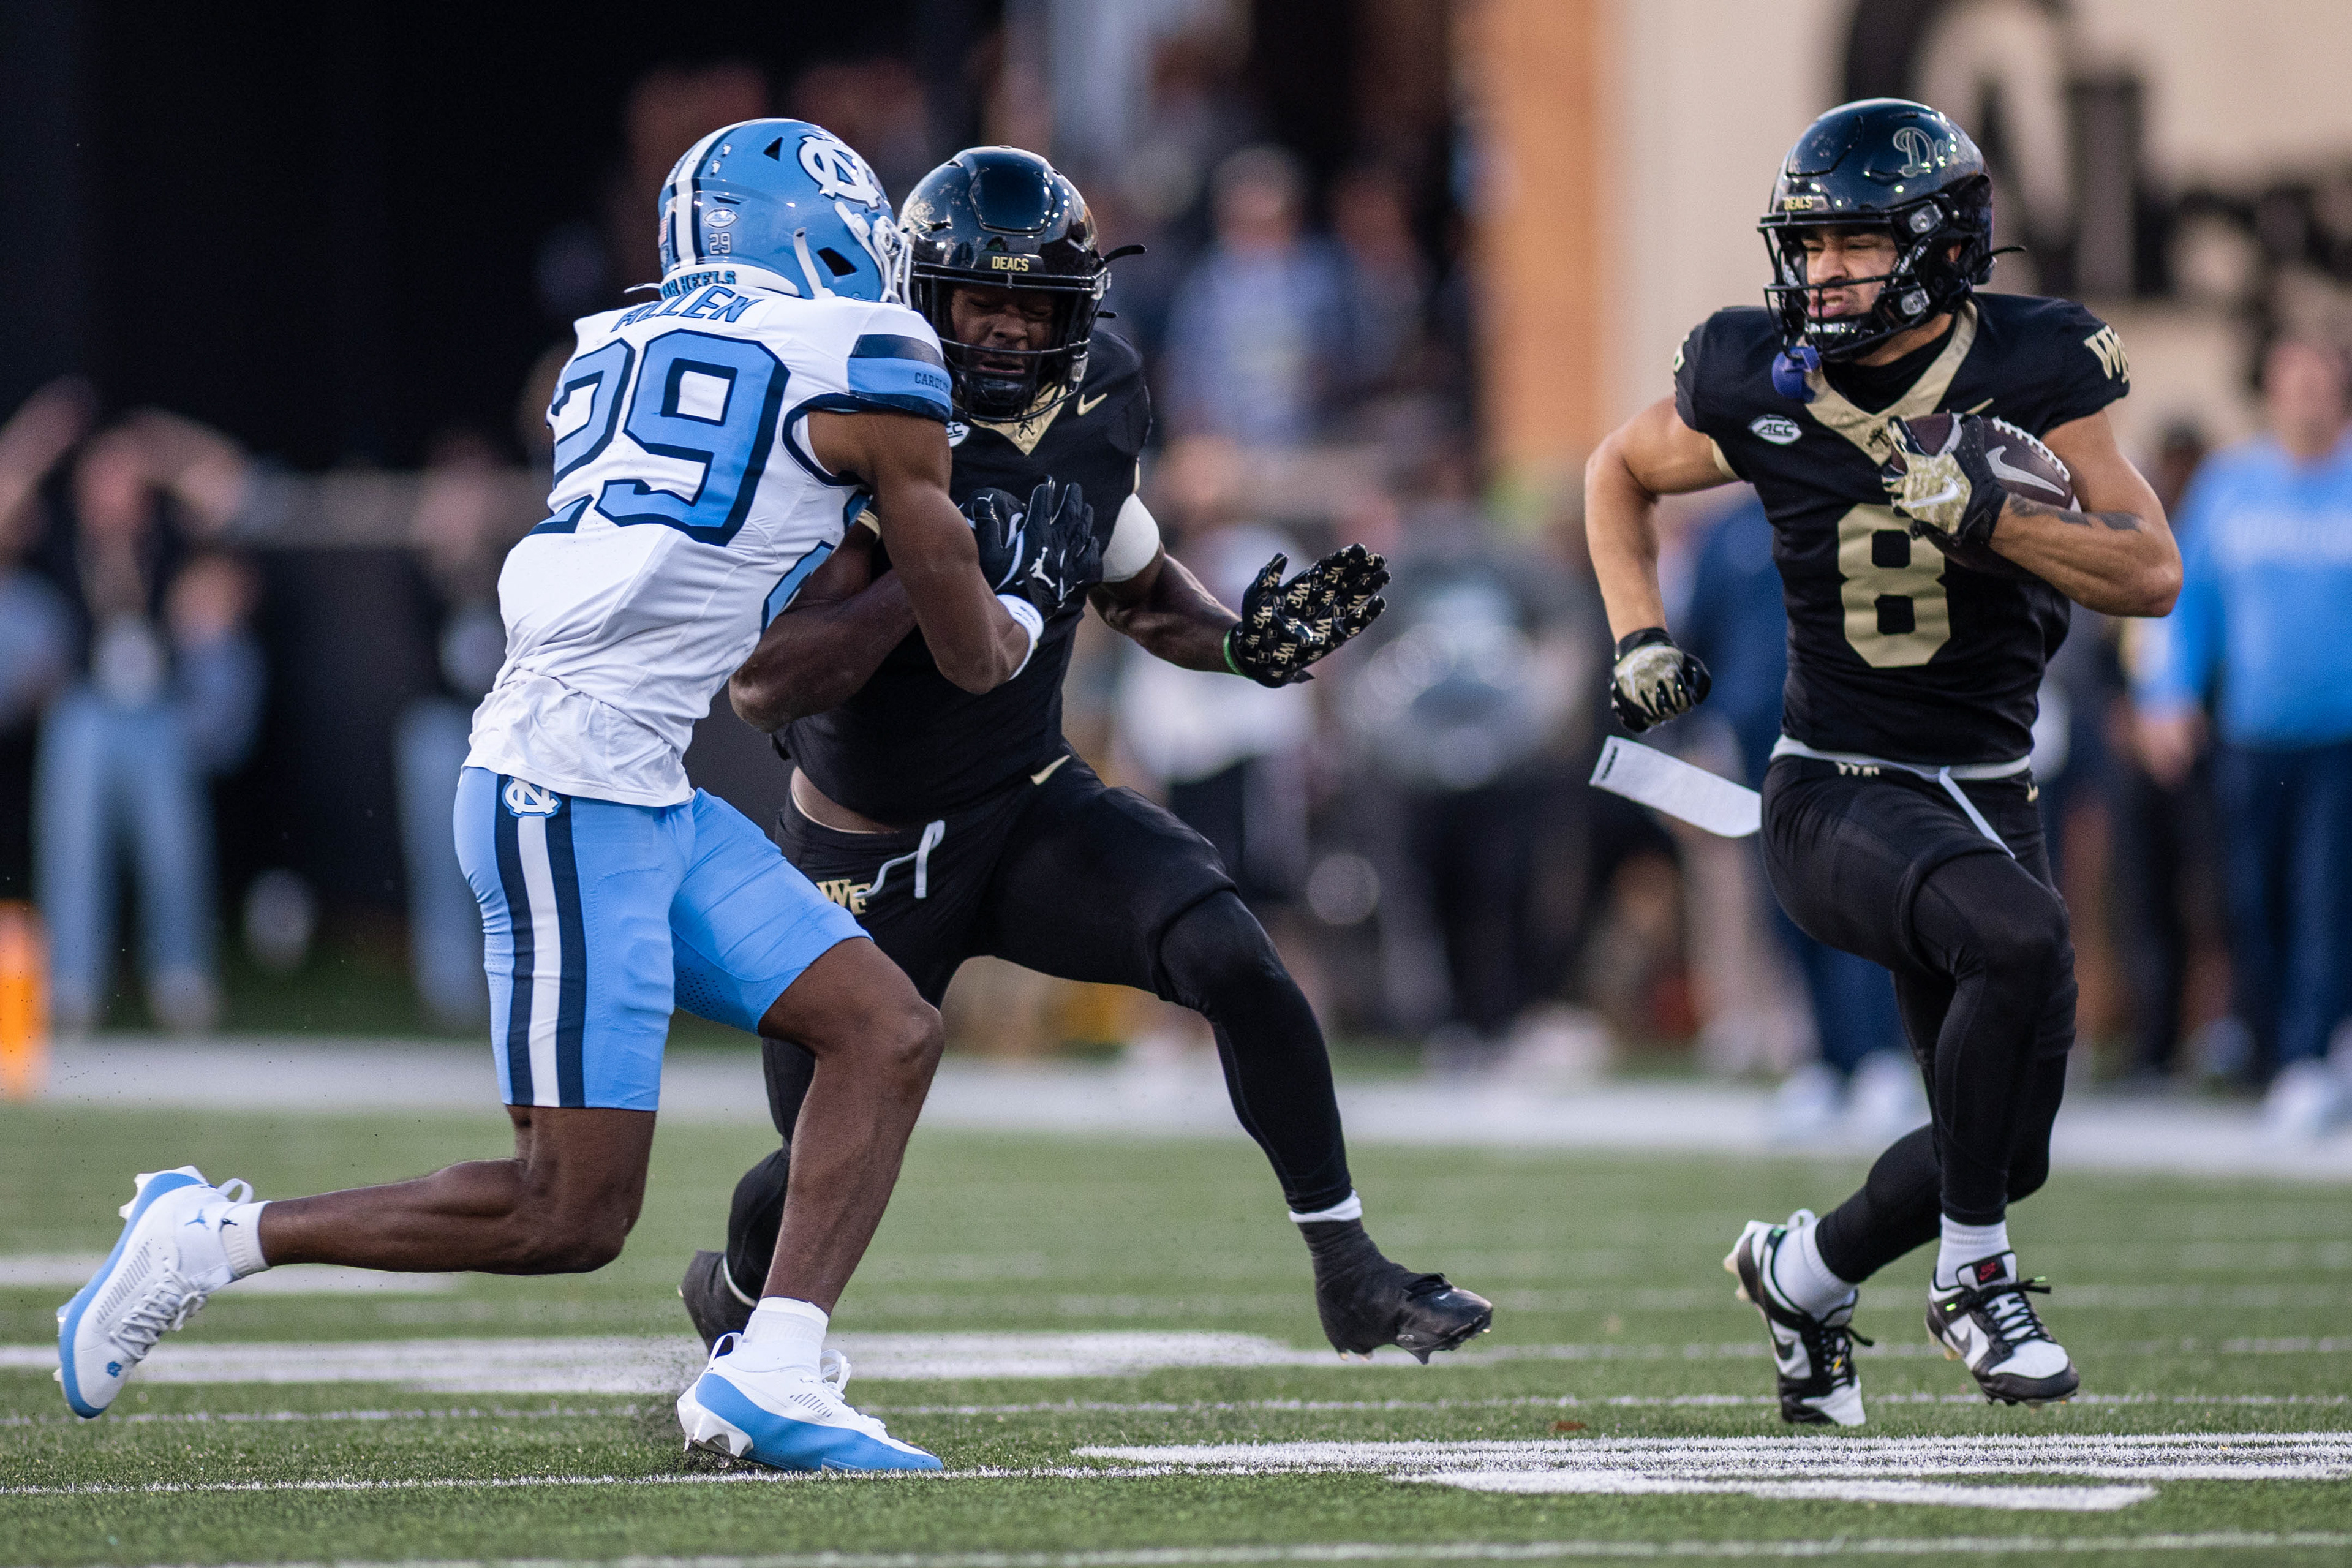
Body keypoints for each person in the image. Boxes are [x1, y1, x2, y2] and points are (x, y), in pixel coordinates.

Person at [57, 118, 1072, 1474]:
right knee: (567, 1211)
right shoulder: (869, 360)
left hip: (630, 778)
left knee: (885, 1030)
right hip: (569, 793)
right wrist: (1008, 597)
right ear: (816, 228)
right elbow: (964, 650)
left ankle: (770, 1372)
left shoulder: (613, 345)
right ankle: (214, 1234)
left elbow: (743, 565)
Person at [685, 147, 1490, 1366]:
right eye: (982, 302)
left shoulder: (1105, 388)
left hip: (1025, 801)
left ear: (1083, 315)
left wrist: (1242, 645)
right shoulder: (864, 408)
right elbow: (762, 683)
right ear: (923, 295)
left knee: (1231, 947)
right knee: (812, 1167)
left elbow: (1124, 577)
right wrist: (927, 577)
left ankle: (1349, 1265)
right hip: (866, 847)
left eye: (1033, 307)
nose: (1007, 332)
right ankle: (741, 1293)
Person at [1585, 99, 2177, 1425]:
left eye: (1855, 244)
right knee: (2017, 941)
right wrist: (1637, 634)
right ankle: (1976, 1283)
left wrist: (2004, 519)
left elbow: (2152, 571)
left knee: (2006, 1148)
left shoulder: (2038, 363)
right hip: (1834, 787)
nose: (1824, 272)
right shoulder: (1752, 371)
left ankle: (1801, 1273)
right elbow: (1616, 470)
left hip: (1991, 788)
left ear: (1939, 244)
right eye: (1812, 245)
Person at [2133, 339, 2352, 1137]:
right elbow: (2181, 601)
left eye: (2323, 385)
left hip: (2341, 739)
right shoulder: (2232, 487)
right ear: (2272, 396)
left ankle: (2307, 1055)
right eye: (2295, 386)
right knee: (2247, 900)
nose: (2309, 400)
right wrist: (2165, 696)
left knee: (2324, 897)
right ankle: (2274, 1048)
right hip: (2253, 736)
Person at [1679, 494, 1915, 1141]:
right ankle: (1825, 1060)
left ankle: (1878, 1058)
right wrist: (1699, 730)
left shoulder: (1858, 501)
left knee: (1859, 897)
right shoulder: (1725, 530)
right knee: (1786, 902)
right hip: (1761, 739)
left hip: (1853, 734)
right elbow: (1698, 638)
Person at [36, 414, 265, 1035]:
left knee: (174, 842)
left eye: (122, 479)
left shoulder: (167, 538)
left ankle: (180, 976)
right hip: (89, 706)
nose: (111, 492)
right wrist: (37, 440)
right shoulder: (60, 537)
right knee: (74, 834)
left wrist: (158, 447)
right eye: (100, 479)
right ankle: (73, 983)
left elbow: (231, 486)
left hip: (159, 707)